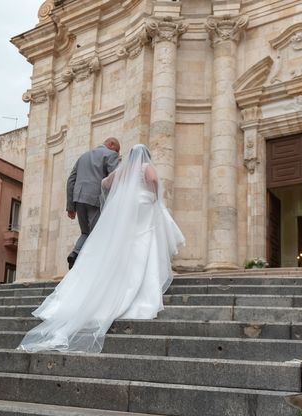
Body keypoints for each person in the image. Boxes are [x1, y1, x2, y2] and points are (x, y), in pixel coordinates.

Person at [17, 144, 185, 353]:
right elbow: (152, 180)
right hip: (144, 205)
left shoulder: (124, 169)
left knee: (128, 242)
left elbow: (105, 182)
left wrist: (118, 194)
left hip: (126, 207)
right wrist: (155, 195)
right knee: (144, 242)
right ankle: (141, 283)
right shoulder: (144, 167)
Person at [66, 138, 120, 269]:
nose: (117, 154)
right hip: (96, 199)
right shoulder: (111, 155)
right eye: (117, 151)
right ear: (111, 145)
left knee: (85, 232)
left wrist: (70, 207)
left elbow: (71, 180)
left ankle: (75, 253)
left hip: (78, 199)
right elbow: (115, 178)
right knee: (97, 233)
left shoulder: (83, 156)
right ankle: (91, 266)